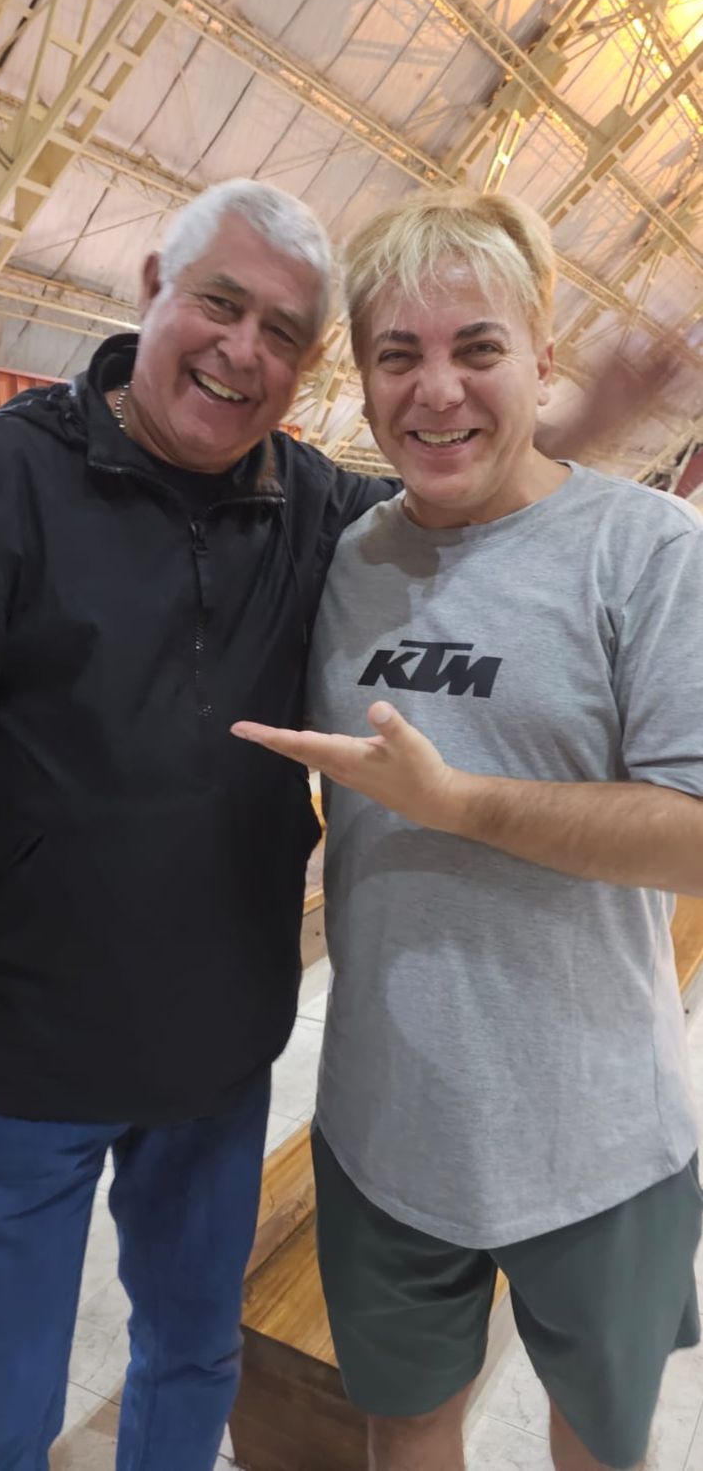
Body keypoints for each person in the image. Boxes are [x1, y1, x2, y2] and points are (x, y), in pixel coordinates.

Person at [233, 189, 703, 1471]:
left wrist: (461, 805)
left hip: (599, 1137)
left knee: (599, 1440)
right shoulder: (338, 553)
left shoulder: (649, 552)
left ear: (541, 359)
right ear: (363, 379)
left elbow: (692, 834)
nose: (436, 390)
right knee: (404, 1429)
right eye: (401, 355)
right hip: (387, 1127)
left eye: (477, 349)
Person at [0, 178, 396, 1471]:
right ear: (153, 286)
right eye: (220, 302)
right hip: (14, 1057)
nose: (243, 349)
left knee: (192, 1352)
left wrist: (586, 418)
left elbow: (459, 515)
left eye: (284, 332)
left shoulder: (312, 503)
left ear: (305, 369)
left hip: (213, 1046)